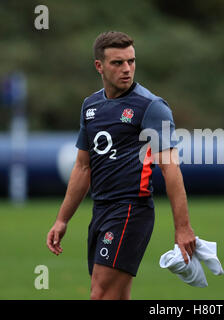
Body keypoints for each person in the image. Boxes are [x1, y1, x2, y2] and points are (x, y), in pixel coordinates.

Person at [46, 31, 196, 300]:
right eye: (118, 63)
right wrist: (62, 219)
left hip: (130, 211)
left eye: (131, 61)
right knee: (115, 295)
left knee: (100, 294)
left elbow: (170, 168)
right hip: (101, 210)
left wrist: (182, 227)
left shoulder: (151, 107)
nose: (127, 69)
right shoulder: (90, 106)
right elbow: (82, 167)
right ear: (99, 66)